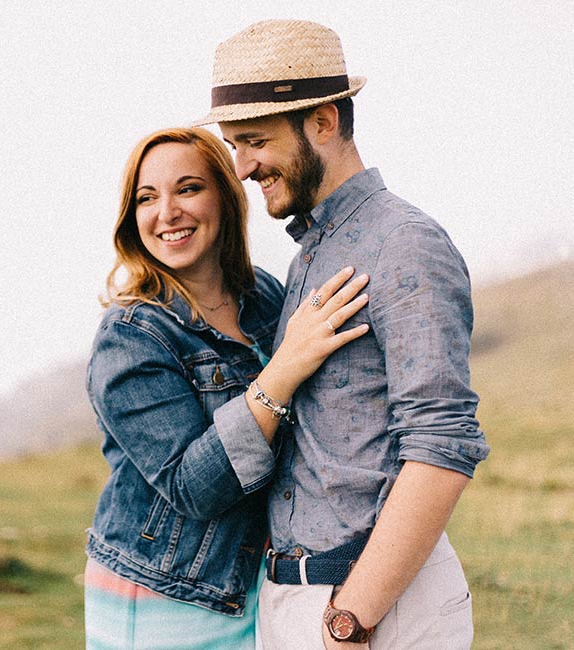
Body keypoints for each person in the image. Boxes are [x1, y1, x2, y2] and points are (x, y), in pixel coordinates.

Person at [192, 19, 491, 649]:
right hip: (296, 602)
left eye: (254, 141)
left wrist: (350, 621)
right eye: (234, 144)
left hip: (374, 611)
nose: (241, 167)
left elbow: (441, 448)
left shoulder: (405, 245)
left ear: (323, 122)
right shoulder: (307, 256)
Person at [83, 126, 370, 649]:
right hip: (165, 597)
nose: (167, 212)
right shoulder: (130, 337)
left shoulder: (262, 295)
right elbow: (194, 488)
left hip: (256, 580)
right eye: (147, 198)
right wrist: (283, 369)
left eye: (188, 189)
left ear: (226, 195)